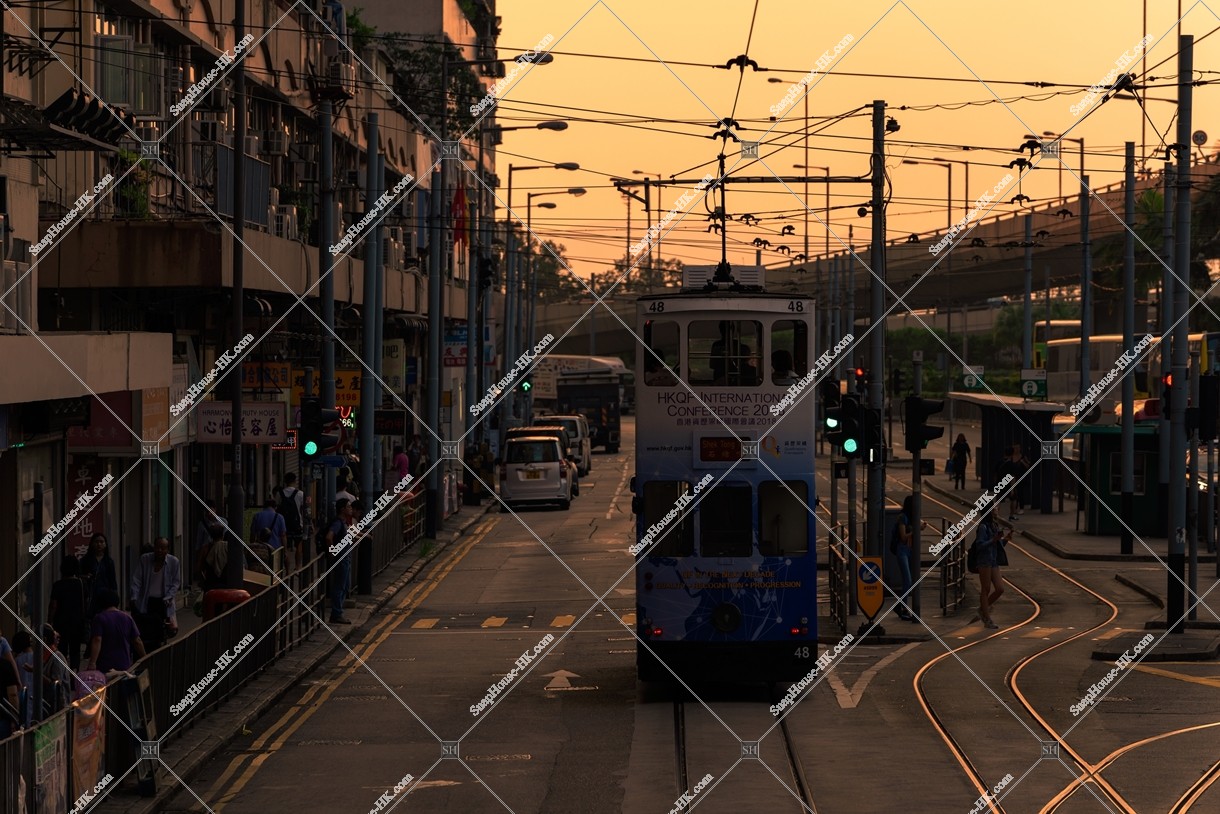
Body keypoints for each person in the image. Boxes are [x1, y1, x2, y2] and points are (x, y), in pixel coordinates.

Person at [130, 536, 181, 651]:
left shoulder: (174, 562)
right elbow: (137, 580)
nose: (159, 550)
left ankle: (158, 650)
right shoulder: (145, 559)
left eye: (163, 548)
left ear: (167, 550)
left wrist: (168, 597)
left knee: (161, 631)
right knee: (144, 629)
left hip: (163, 601)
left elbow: (175, 583)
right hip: (146, 601)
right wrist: (134, 597)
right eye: (157, 547)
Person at [85, 589, 145, 675]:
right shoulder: (127, 617)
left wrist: (92, 662)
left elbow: (97, 639)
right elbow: (137, 641)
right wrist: (145, 657)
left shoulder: (99, 618)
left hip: (105, 665)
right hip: (124, 664)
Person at [48, 553, 88, 671]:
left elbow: (53, 606)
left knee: (62, 650)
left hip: (61, 622)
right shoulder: (81, 584)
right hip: (77, 622)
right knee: (75, 650)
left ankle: (62, 674)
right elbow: (85, 604)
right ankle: (74, 673)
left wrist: (49, 621)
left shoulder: (58, 585)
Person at [974, 510, 1010, 629]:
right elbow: (979, 545)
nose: (996, 513)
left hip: (993, 560)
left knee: (1000, 588)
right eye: (994, 510)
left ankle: (982, 609)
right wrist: (993, 540)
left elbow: (997, 544)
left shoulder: (994, 525)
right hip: (984, 560)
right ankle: (987, 618)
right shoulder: (983, 527)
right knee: (986, 589)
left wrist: (1005, 540)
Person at [325, 499, 355, 625]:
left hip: (345, 559)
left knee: (345, 586)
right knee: (340, 586)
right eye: (348, 507)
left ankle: (338, 612)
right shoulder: (338, 523)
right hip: (341, 559)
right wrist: (333, 551)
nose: (351, 509)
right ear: (342, 509)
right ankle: (337, 614)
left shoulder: (343, 522)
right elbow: (329, 537)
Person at [79, 532, 118, 617]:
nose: (99, 544)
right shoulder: (85, 560)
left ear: (105, 544)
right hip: (89, 596)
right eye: (96, 542)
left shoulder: (109, 561)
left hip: (105, 596)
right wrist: (85, 577)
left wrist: (114, 597)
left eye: (101, 542)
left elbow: (112, 581)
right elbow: (78, 576)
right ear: (92, 544)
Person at [893, 496, 918, 622]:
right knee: (907, 580)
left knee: (909, 581)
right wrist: (916, 531)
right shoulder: (903, 517)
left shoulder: (912, 517)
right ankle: (901, 607)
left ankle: (901, 606)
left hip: (909, 551)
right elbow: (903, 537)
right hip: (902, 551)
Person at [279, 473, 305, 571]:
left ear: (285, 481)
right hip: (297, 524)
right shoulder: (300, 494)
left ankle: (287, 569)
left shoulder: (279, 493)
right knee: (299, 546)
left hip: (284, 524)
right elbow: (304, 509)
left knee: (285, 548)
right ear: (295, 481)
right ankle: (298, 567)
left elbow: (277, 507)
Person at [999, 444, 1031, 520]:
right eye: (1015, 448)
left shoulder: (1023, 457)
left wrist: (1023, 462)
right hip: (1012, 479)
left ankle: (1021, 508)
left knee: (1019, 493)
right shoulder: (1011, 458)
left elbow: (1028, 466)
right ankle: (1014, 511)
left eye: (1017, 448)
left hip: (1020, 477)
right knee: (1013, 496)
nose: (1016, 449)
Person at [195, 523, 229, 591]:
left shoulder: (205, 549)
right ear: (222, 534)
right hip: (226, 583)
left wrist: (203, 582)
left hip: (210, 584)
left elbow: (198, 568)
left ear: (210, 535)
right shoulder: (228, 547)